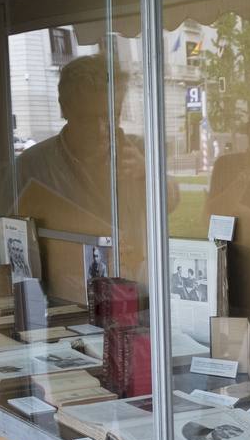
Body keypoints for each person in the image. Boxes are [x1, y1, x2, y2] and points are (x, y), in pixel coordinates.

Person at [14, 54, 178, 281]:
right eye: (89, 119)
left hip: (134, 289)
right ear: (64, 109)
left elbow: (171, 202)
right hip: (68, 295)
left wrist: (148, 174)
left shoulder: (139, 150)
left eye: (113, 115)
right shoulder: (31, 166)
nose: (103, 130)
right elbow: (15, 243)